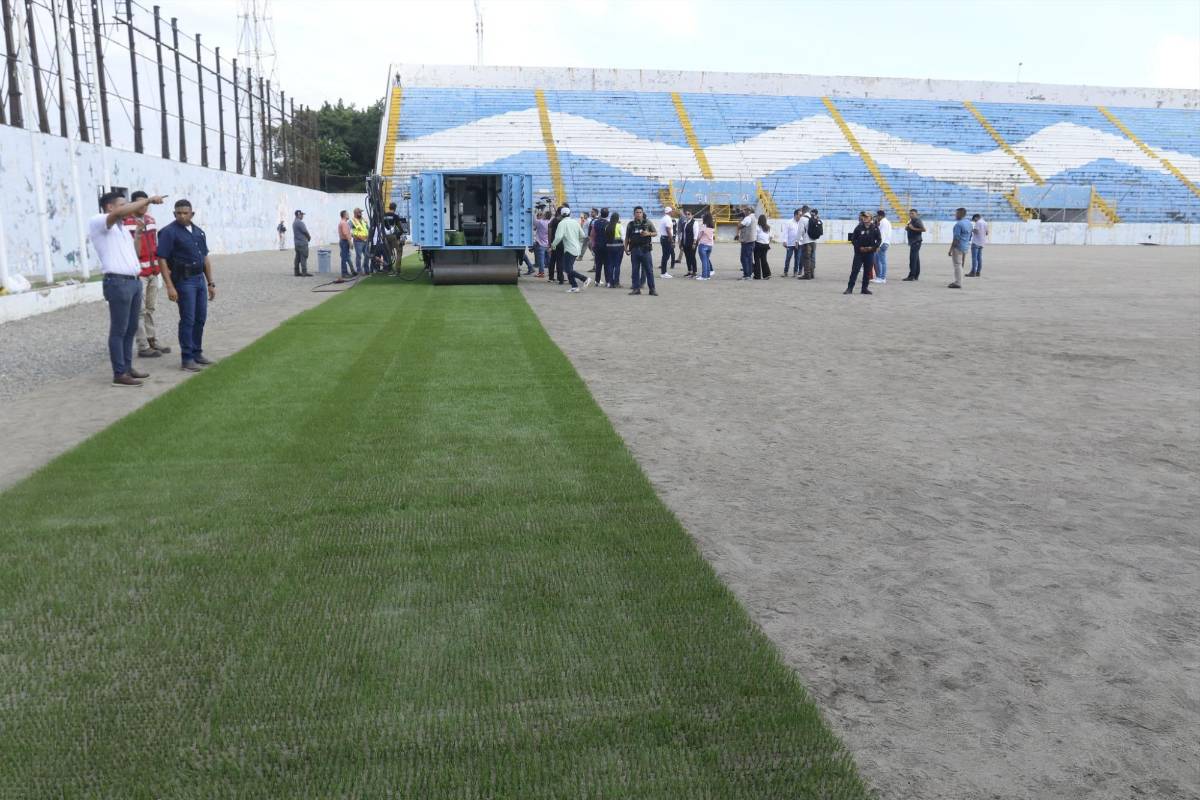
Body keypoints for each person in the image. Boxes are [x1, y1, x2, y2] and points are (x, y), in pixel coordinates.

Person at [90, 190, 165, 386]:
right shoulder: (100, 221)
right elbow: (118, 215)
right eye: (123, 204)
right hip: (118, 282)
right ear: (110, 207)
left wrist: (138, 234)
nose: (127, 207)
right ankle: (119, 373)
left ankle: (127, 367)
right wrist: (147, 200)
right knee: (119, 329)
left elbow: (136, 252)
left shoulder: (122, 228)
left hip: (132, 281)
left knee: (131, 327)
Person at [157, 199, 216, 372]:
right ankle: (187, 358)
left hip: (199, 279)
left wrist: (210, 282)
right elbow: (161, 259)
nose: (182, 216)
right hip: (183, 280)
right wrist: (169, 286)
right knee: (188, 319)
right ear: (174, 214)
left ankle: (197, 352)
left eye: (185, 213)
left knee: (200, 318)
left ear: (192, 214)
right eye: (178, 213)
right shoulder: (169, 232)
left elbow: (205, 258)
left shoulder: (199, 232)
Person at [124, 191, 170, 359]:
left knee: (150, 308)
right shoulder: (126, 222)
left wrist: (159, 267)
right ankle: (142, 346)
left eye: (146, 203)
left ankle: (152, 340)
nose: (144, 206)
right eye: (140, 203)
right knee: (139, 311)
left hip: (153, 272)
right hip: (139, 273)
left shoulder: (151, 220)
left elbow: (155, 245)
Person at [551, 206, 592, 292]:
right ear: (570, 214)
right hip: (576, 248)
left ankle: (584, 279)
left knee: (567, 269)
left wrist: (553, 245)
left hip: (569, 249)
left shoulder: (561, 223)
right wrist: (578, 242)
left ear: (561, 215)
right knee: (569, 268)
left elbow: (558, 237)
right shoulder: (575, 222)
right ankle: (574, 286)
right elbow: (582, 236)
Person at [625, 206, 658, 296]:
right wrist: (625, 248)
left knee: (649, 270)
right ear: (634, 214)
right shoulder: (630, 224)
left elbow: (655, 233)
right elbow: (627, 237)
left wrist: (648, 233)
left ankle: (652, 289)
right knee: (635, 270)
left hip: (645, 250)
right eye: (637, 212)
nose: (638, 214)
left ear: (642, 213)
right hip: (634, 250)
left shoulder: (648, 223)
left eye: (640, 212)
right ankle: (636, 289)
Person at [845, 211, 880, 295]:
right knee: (855, 270)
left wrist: (873, 247)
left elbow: (879, 240)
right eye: (864, 217)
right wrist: (859, 247)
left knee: (867, 271)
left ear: (871, 218)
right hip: (859, 253)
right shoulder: (858, 227)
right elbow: (853, 239)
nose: (864, 218)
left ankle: (864, 288)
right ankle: (850, 288)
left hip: (870, 252)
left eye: (867, 217)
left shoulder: (875, 228)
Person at [948, 207, 971, 288]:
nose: (955, 215)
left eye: (956, 213)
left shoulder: (959, 224)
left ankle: (958, 282)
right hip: (965, 245)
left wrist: (951, 249)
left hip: (958, 247)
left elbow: (956, 238)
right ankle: (959, 280)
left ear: (960, 214)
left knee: (957, 264)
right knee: (960, 264)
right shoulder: (968, 222)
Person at [382, 202, 407, 268]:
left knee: (388, 253)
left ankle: (388, 268)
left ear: (389, 207)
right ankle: (397, 269)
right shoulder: (395, 216)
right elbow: (399, 227)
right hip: (393, 236)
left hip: (385, 236)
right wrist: (401, 232)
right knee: (399, 251)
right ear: (395, 208)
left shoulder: (384, 215)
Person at [903, 209, 925, 281]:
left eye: (912, 213)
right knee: (916, 259)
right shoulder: (911, 220)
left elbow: (924, 229)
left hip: (916, 242)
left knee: (913, 259)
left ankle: (911, 276)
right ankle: (916, 275)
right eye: (910, 213)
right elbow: (909, 228)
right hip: (913, 242)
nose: (911, 215)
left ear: (916, 214)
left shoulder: (917, 220)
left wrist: (913, 228)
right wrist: (908, 227)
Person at [605, 211, 624, 287]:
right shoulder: (619, 226)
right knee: (617, 265)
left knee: (610, 265)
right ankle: (616, 282)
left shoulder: (607, 226)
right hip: (618, 247)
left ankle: (610, 282)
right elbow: (623, 238)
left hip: (609, 247)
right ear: (618, 218)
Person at [800, 208, 821, 279]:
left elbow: (801, 231)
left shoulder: (803, 219)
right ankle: (812, 274)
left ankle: (807, 275)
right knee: (812, 258)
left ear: (803, 211)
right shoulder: (814, 218)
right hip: (814, 241)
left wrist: (797, 240)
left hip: (806, 242)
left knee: (806, 258)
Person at [872, 210, 892, 283]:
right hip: (884, 243)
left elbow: (882, 235)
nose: (876, 217)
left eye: (877, 216)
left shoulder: (884, 222)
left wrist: (878, 246)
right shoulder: (884, 222)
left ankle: (882, 278)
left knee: (881, 261)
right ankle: (879, 277)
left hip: (883, 244)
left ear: (880, 216)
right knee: (877, 260)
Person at [737, 206, 756, 280]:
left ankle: (746, 275)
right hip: (752, 240)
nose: (744, 212)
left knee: (744, 258)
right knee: (749, 258)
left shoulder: (747, 218)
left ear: (749, 211)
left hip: (746, 241)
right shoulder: (754, 217)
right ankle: (749, 273)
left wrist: (740, 221)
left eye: (745, 210)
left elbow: (739, 226)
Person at [591, 208, 609, 285]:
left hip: (597, 245)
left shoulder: (596, 222)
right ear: (608, 214)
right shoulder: (609, 223)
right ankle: (607, 281)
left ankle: (597, 281)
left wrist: (593, 244)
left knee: (598, 264)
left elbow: (592, 234)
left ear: (600, 214)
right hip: (606, 246)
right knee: (607, 265)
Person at [783, 208, 803, 276]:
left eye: (801, 215)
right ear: (795, 215)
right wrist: (785, 241)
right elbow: (785, 232)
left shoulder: (801, 222)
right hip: (790, 243)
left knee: (797, 258)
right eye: (800, 215)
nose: (801, 216)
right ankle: (785, 272)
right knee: (788, 258)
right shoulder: (789, 222)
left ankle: (795, 272)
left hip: (799, 243)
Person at [678, 209, 698, 277]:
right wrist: (681, 242)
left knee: (692, 257)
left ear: (692, 215)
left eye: (689, 214)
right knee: (687, 257)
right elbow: (682, 233)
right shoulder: (685, 223)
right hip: (685, 243)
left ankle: (694, 272)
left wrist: (694, 243)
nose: (687, 215)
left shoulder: (695, 222)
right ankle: (689, 270)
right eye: (686, 214)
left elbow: (696, 234)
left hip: (692, 243)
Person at [292, 210, 311, 277]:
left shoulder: (294, 222)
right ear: (298, 215)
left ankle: (296, 272)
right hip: (302, 243)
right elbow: (305, 231)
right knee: (304, 257)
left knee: (297, 258)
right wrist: (309, 237)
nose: (302, 216)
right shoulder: (300, 222)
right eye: (302, 215)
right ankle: (304, 272)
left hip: (297, 243)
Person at [697, 212, 715, 280]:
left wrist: (696, 242)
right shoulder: (712, 226)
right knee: (707, 260)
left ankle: (704, 276)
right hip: (710, 245)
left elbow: (699, 236)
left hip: (703, 244)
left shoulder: (703, 226)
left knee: (704, 261)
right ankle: (707, 275)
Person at [658, 206, 675, 277]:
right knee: (666, 255)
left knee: (665, 255)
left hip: (663, 238)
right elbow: (668, 229)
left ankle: (663, 271)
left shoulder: (663, 218)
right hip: (666, 238)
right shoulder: (668, 219)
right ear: (669, 212)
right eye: (672, 211)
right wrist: (672, 240)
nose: (673, 212)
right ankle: (663, 272)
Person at [351, 208, 369, 274]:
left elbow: (367, 228)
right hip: (358, 241)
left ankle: (367, 270)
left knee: (367, 255)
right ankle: (359, 271)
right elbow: (349, 230)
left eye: (361, 212)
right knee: (359, 256)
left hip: (365, 240)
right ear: (355, 213)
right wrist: (354, 235)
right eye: (359, 212)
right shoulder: (352, 221)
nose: (361, 214)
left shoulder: (363, 219)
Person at [754, 215, 772, 279]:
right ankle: (767, 274)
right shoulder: (768, 227)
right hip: (766, 245)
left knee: (757, 260)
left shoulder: (757, 227)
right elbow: (770, 237)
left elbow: (755, 237)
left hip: (758, 244)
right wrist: (767, 242)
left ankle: (757, 275)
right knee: (764, 259)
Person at [548, 210, 564, 284]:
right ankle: (560, 277)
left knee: (552, 260)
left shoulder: (553, 220)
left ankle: (551, 277)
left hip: (553, 242)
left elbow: (550, 231)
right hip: (560, 243)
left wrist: (550, 243)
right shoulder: (562, 221)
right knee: (559, 261)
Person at [533, 210, 551, 277]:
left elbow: (533, 221)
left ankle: (541, 273)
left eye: (543, 214)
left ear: (545, 216)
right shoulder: (550, 222)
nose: (542, 215)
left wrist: (534, 212)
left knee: (541, 260)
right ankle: (550, 272)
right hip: (548, 244)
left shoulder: (541, 222)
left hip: (541, 244)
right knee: (549, 260)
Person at [337, 210, 354, 278]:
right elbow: (345, 233)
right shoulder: (344, 223)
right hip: (344, 241)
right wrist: (350, 242)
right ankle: (344, 273)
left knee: (346, 257)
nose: (348, 215)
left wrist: (351, 235)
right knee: (344, 258)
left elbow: (346, 233)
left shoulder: (343, 222)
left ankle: (351, 271)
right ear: (344, 215)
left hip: (344, 241)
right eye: (347, 214)